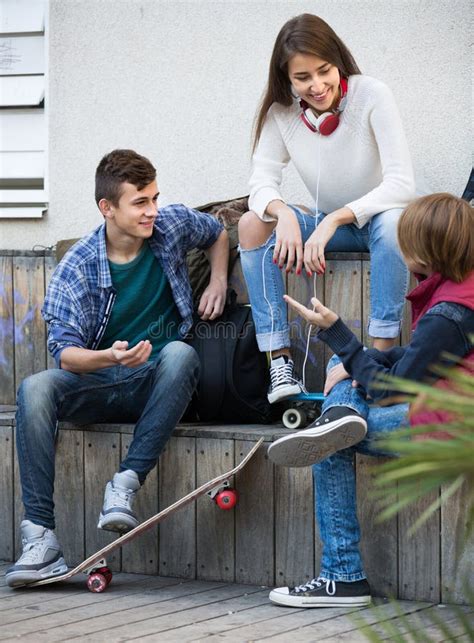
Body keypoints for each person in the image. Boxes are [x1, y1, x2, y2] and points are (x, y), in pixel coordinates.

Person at [6, 149, 229, 588]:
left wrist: (218, 280)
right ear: (107, 208)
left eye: (154, 198)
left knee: (182, 354)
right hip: (100, 379)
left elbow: (218, 232)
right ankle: (40, 539)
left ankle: (124, 485)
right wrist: (111, 356)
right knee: (34, 390)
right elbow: (66, 355)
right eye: (140, 202)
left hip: (159, 383)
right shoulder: (78, 267)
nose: (152, 211)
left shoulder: (169, 226)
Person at [266, 193, 474, 607]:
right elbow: (420, 361)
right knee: (343, 393)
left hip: (451, 424)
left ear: (427, 250)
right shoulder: (461, 291)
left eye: (406, 242)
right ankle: (341, 414)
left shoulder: (448, 311)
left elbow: (390, 389)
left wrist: (340, 337)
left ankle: (342, 576)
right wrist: (360, 357)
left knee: (329, 441)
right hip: (450, 406)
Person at [238, 13, 417, 404]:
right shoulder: (282, 113)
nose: (317, 86)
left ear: (338, 61)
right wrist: (282, 212)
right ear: (287, 79)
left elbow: (402, 185)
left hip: (374, 222)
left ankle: (379, 354)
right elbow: (260, 181)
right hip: (322, 225)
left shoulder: (373, 95)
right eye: (303, 78)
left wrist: (335, 218)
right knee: (252, 224)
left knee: (394, 222)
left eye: (324, 71)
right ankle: (279, 361)